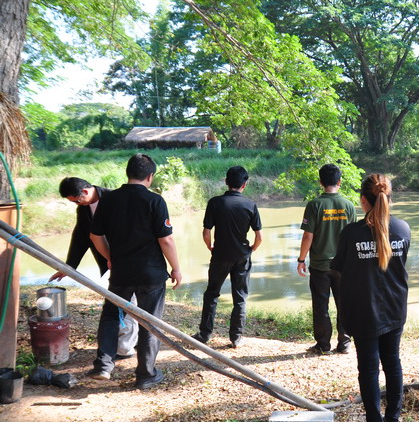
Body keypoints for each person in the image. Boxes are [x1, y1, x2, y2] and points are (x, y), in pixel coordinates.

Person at [88, 154, 182, 389]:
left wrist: (110, 257)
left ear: (128, 173)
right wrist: (176, 268)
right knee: (150, 322)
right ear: (150, 176)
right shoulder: (155, 201)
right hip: (151, 274)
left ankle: (103, 365)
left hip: (121, 272)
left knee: (111, 316)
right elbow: (166, 240)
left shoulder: (108, 200)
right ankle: (145, 375)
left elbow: (95, 236)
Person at [331, 174, 411, 422]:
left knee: (368, 368)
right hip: (394, 307)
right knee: (392, 362)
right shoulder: (403, 229)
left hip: (363, 310)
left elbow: (338, 267)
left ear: (363, 200)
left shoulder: (352, 233)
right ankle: (393, 421)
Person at [51, 177, 138, 360]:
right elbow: (81, 237)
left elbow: (131, 230)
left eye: (77, 200)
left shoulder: (115, 199)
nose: (77, 204)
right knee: (121, 302)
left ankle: (126, 347)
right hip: (111, 261)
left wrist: (119, 258)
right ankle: (126, 343)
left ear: (85, 191)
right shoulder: (83, 209)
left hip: (128, 258)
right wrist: (69, 267)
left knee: (129, 302)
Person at [193, 166, 262, 348]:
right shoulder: (250, 205)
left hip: (220, 255)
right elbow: (259, 236)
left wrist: (210, 246)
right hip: (242, 256)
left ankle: (204, 334)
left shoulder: (215, 203)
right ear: (244, 185)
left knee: (212, 293)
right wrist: (252, 249)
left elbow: (206, 232)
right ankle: (236, 338)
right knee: (240, 297)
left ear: (226, 182)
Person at [297, 164, 356, 355]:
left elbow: (308, 236)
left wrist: (301, 259)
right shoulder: (348, 205)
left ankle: (323, 345)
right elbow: (353, 236)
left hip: (320, 266)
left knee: (321, 307)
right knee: (344, 304)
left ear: (321, 182)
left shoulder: (314, 205)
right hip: (344, 266)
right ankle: (344, 343)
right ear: (340, 182)